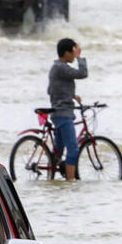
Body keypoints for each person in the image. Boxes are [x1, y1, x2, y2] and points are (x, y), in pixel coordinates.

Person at [47, 38, 87, 182]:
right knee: (73, 149)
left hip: (58, 112)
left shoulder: (57, 67)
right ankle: (70, 182)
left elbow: (52, 89)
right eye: (72, 52)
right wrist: (80, 57)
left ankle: (50, 178)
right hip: (63, 114)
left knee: (58, 151)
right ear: (66, 53)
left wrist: (71, 96)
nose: (73, 55)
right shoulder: (61, 67)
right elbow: (82, 73)